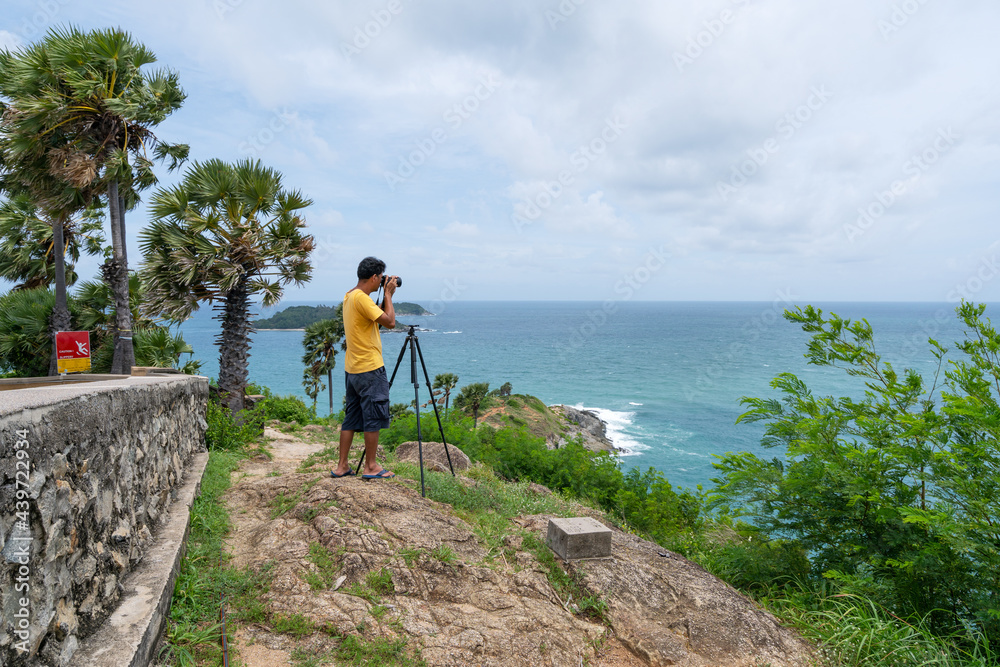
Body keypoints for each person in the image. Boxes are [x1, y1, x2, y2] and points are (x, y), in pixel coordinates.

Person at [331, 257, 398, 479]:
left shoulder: (350, 296)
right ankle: (371, 467)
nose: (382, 282)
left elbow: (372, 316)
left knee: (351, 416)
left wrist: (385, 296)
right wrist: (388, 295)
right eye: (381, 278)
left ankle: (342, 466)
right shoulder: (362, 298)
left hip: (352, 368)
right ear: (374, 277)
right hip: (370, 368)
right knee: (374, 416)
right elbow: (389, 322)